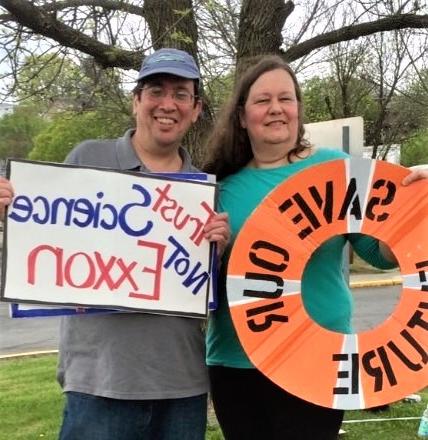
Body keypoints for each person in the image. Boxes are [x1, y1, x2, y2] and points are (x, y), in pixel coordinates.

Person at [0, 48, 229, 440]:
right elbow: (44, 248)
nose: (167, 104)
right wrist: (10, 214)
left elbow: (213, 296)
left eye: (181, 94)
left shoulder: (203, 194)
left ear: (195, 108)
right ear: (136, 101)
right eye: (156, 90)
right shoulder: (88, 159)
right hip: (98, 385)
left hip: (183, 387)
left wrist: (218, 253)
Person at [202, 54, 428, 440]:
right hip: (235, 362)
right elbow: (198, 279)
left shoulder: (337, 169)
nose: (276, 109)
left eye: (286, 99)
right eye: (262, 100)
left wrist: (417, 207)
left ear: (298, 110)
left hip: (317, 358)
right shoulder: (218, 187)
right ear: (242, 116)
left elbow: (379, 252)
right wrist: (213, 253)